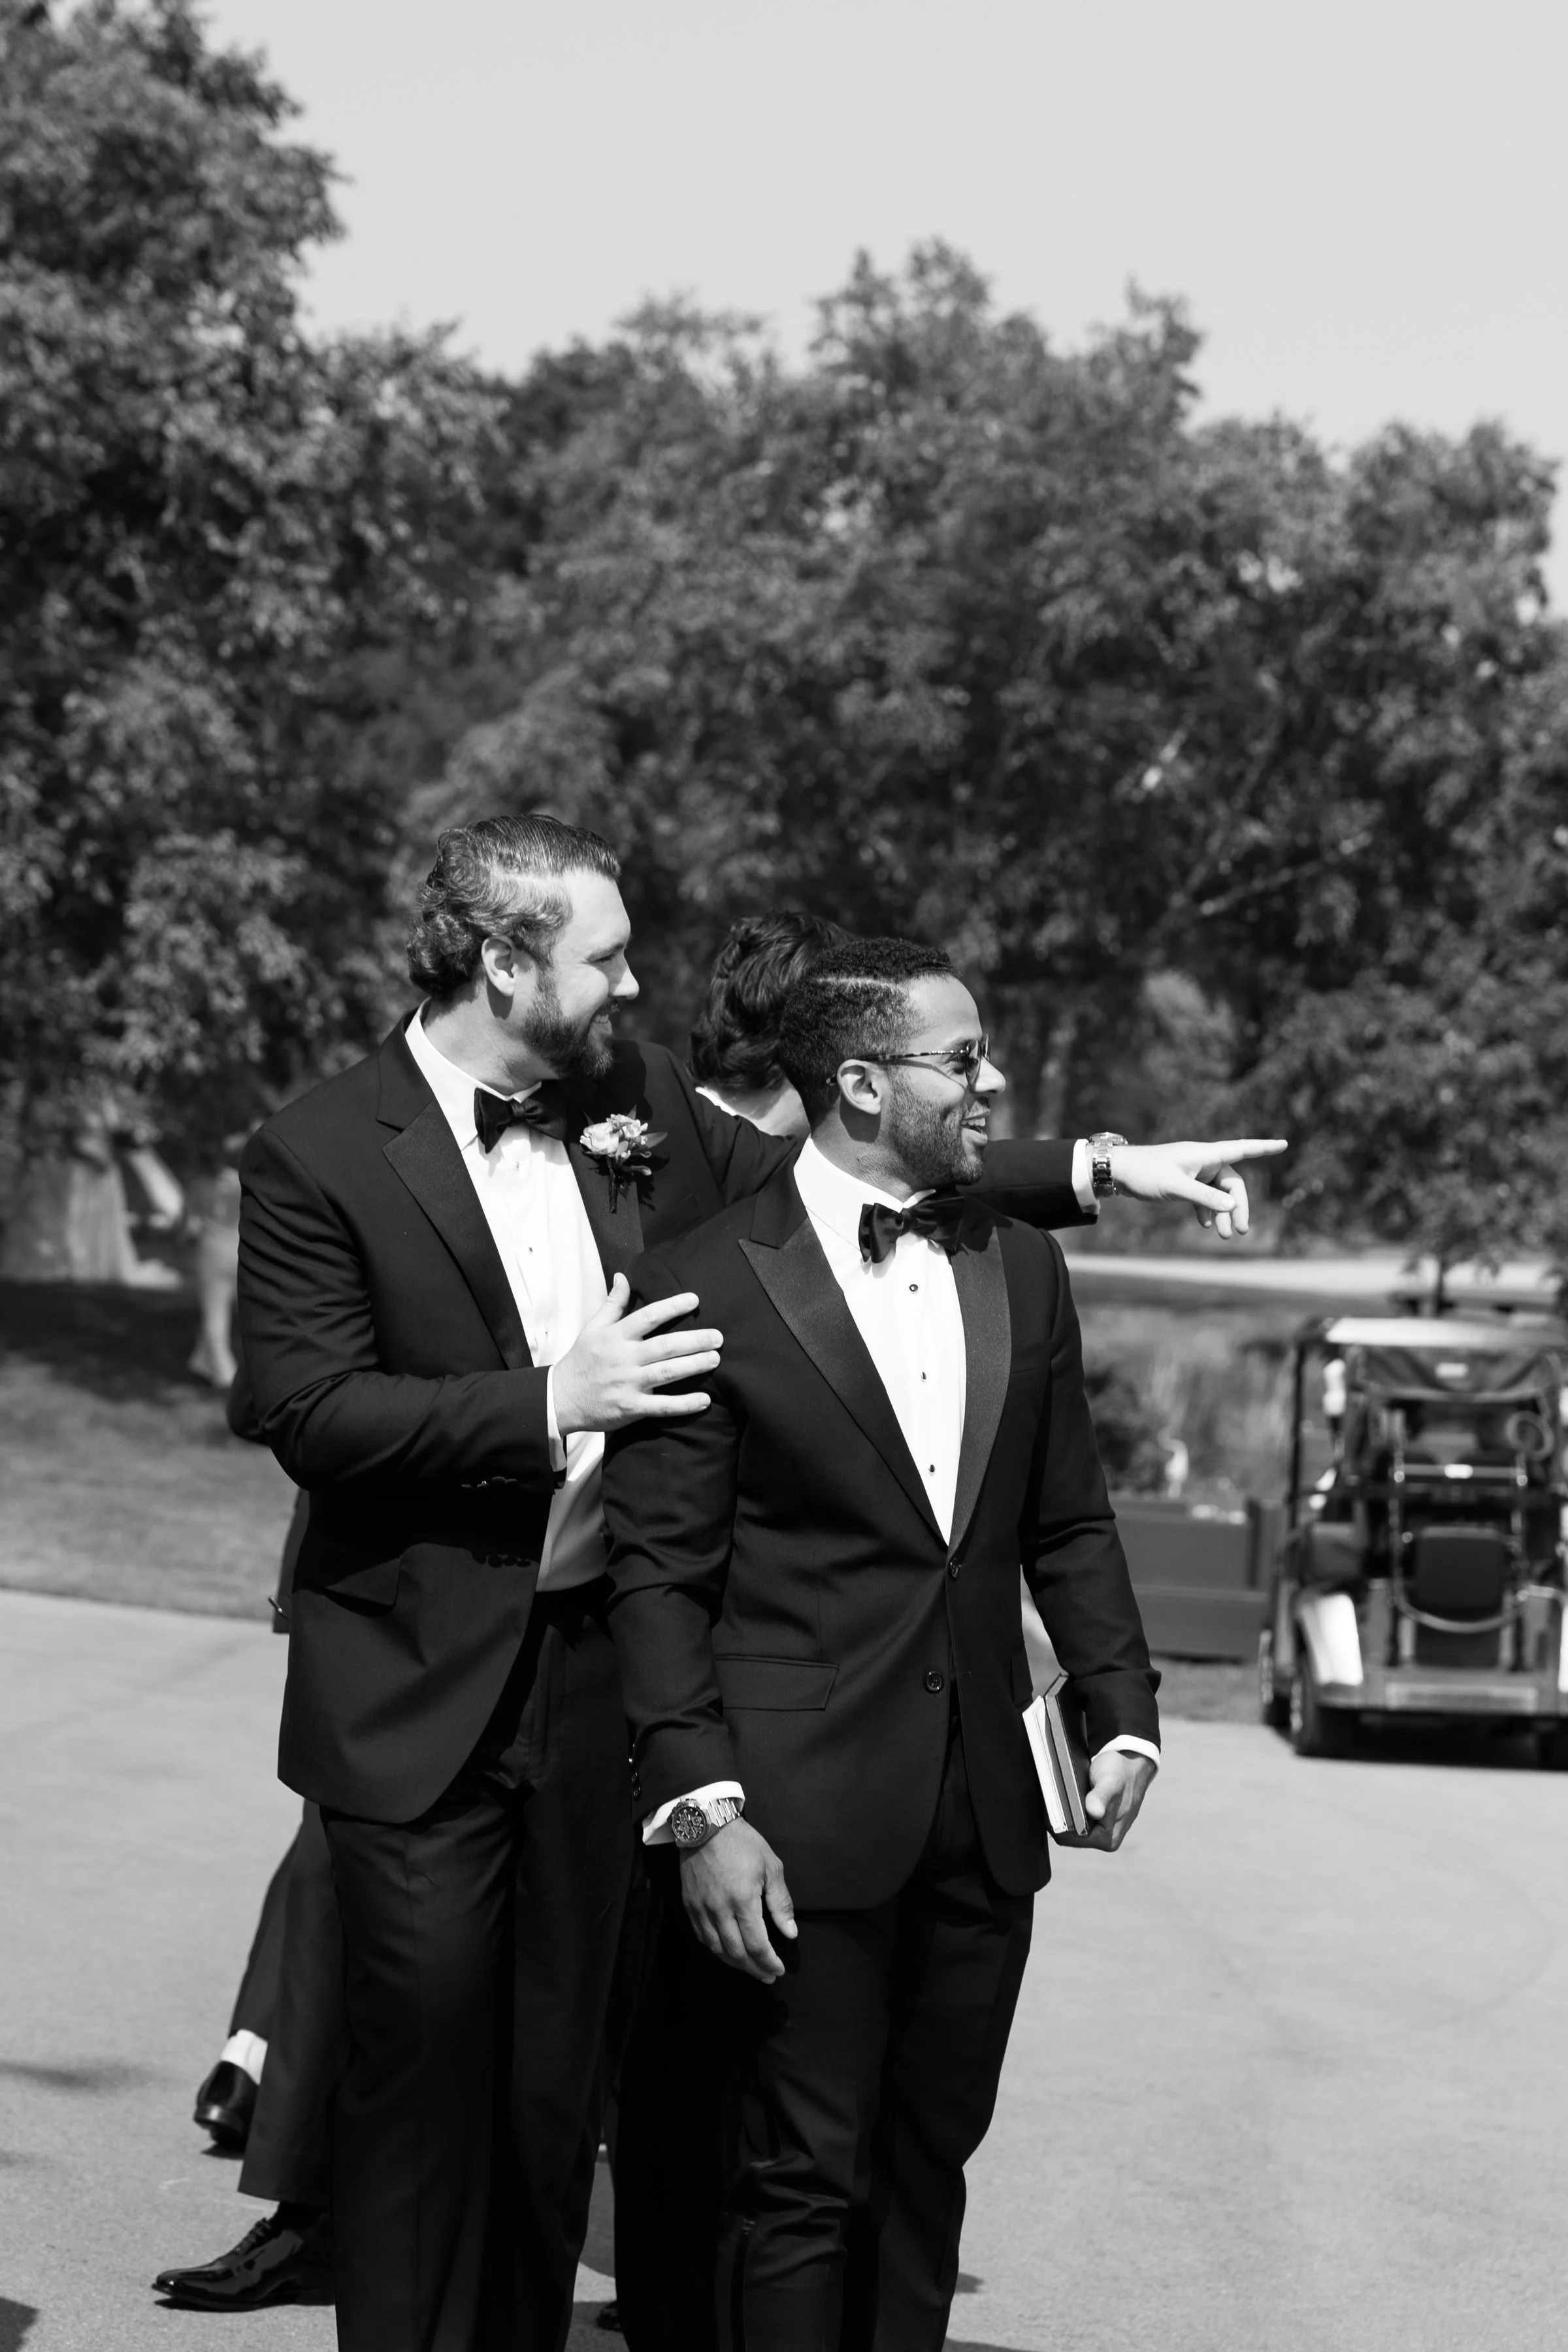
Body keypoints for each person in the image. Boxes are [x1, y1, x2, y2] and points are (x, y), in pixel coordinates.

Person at [233, 816, 1158, 2352]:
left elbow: (856, 1185)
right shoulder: (321, 1149)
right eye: (602, 955)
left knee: (563, 2091)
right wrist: (552, 1398)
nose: (634, 981)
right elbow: (302, 1410)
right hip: (421, 1683)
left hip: (610, 1679)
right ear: (503, 960)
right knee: (419, 2082)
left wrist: (1098, 1170)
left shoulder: (636, 1099)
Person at [602, 935, 1161, 2352]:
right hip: (792, 1818)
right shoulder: (702, 1280)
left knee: (926, 2171)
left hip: (986, 1812)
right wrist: (699, 1806)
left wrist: (1125, 1708)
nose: (990, 1082)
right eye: (961, 1059)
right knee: (797, 2181)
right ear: (861, 1080)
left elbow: (1072, 1521)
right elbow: (660, 1577)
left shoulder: (1025, 1270)